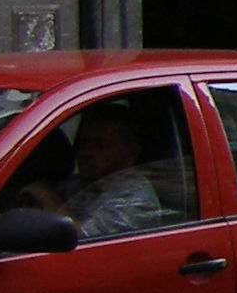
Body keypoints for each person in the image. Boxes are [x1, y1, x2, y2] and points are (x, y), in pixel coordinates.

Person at [15, 101, 175, 241]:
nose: (86, 153)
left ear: (131, 154)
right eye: (84, 143)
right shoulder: (82, 183)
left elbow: (80, 243)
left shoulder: (133, 199)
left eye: (101, 145)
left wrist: (48, 198)